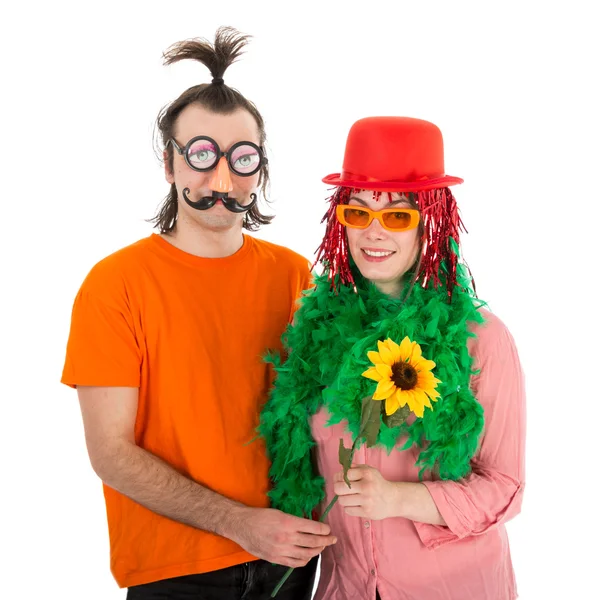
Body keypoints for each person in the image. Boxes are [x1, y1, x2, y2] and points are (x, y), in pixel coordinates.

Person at [61, 27, 335, 600]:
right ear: (171, 165)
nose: (221, 180)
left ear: (260, 168)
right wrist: (241, 523)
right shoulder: (116, 284)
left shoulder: (293, 276)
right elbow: (109, 453)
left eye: (242, 159)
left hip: (289, 562)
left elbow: (321, 408)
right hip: (176, 573)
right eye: (202, 155)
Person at [260, 116, 526, 600]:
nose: (372, 233)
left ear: (432, 223)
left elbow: (506, 488)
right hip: (345, 588)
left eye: (397, 216)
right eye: (358, 213)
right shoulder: (315, 335)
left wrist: (400, 499)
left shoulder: (481, 340)